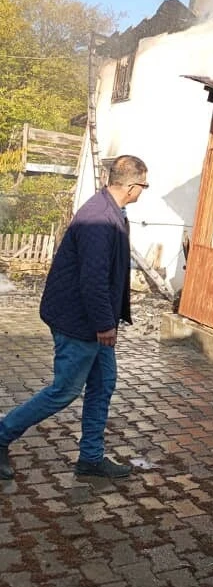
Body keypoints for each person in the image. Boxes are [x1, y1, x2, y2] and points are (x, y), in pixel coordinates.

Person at [0, 155, 148, 481]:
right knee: (64, 390)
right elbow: (93, 279)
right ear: (132, 186)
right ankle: (2, 434)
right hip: (78, 320)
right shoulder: (99, 218)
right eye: (144, 185)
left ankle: (90, 458)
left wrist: (109, 320)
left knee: (103, 384)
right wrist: (104, 324)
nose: (143, 191)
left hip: (93, 320)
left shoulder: (112, 211)